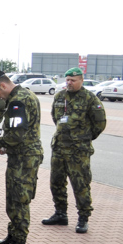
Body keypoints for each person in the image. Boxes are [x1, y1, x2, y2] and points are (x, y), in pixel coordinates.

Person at [0, 71, 43, 244]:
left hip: (24, 158)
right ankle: (13, 236)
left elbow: (16, 135)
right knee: (14, 198)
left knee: (19, 200)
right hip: (22, 155)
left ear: (3, 86)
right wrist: (5, 146)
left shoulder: (18, 101)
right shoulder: (26, 95)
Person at [43, 67, 106, 233]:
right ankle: (60, 213)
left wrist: (83, 138)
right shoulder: (59, 96)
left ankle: (83, 218)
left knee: (80, 184)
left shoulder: (90, 98)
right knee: (56, 182)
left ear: (81, 81)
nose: (69, 83)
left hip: (78, 151)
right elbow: (55, 117)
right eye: (67, 80)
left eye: (73, 80)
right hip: (59, 147)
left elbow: (100, 123)